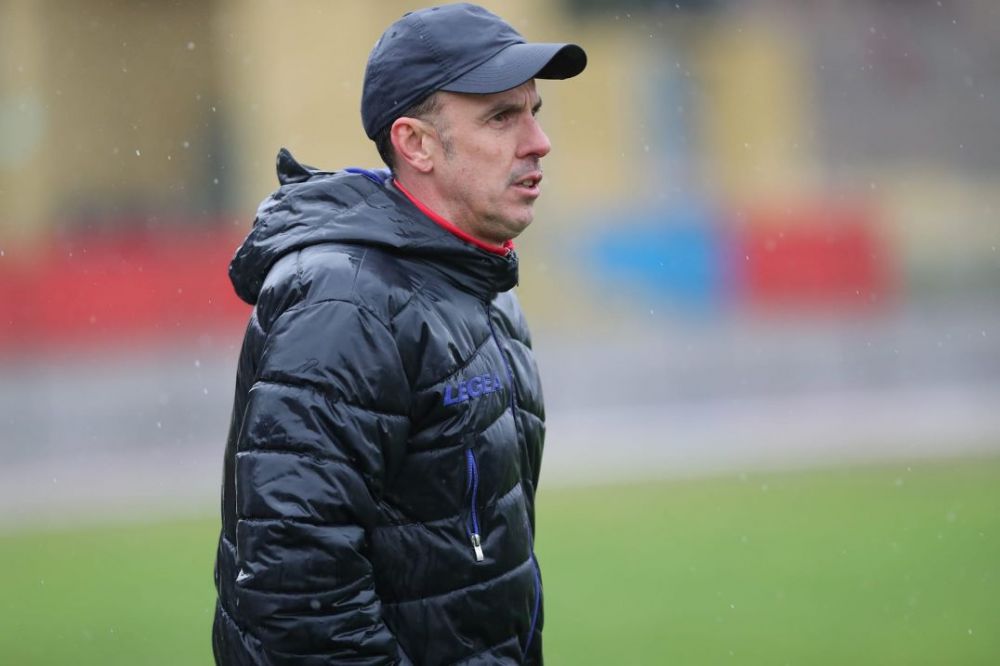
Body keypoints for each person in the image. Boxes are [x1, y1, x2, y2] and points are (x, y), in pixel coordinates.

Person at [212, 4, 586, 664]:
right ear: (415, 144)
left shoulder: (478, 286)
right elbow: (296, 595)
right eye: (502, 117)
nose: (538, 141)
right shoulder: (346, 303)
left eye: (534, 112)